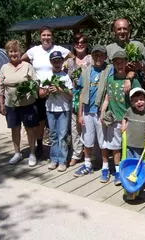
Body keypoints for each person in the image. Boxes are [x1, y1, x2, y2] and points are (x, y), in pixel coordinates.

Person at [22, 26, 71, 158]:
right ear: (40, 36)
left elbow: (71, 57)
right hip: (41, 90)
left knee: (57, 121)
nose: (46, 38)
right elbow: (22, 60)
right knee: (41, 119)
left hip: (56, 88)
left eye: (49, 35)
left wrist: (66, 66)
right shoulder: (34, 50)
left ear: (52, 37)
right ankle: (39, 145)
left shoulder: (58, 49)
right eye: (44, 35)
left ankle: (61, 151)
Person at [101, 50, 141, 185]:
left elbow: (140, 98)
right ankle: (118, 171)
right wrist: (102, 111)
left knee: (129, 146)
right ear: (112, 63)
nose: (119, 64)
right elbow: (108, 96)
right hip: (114, 119)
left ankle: (130, 170)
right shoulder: (110, 79)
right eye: (116, 62)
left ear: (126, 63)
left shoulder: (133, 80)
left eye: (122, 62)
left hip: (129, 120)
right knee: (115, 147)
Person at [73, 45, 113, 179]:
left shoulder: (109, 70)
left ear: (105, 57)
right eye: (96, 55)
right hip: (87, 111)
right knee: (87, 140)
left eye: (101, 55)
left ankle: (105, 167)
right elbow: (80, 93)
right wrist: (79, 114)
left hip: (100, 111)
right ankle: (87, 164)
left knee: (103, 141)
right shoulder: (86, 72)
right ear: (92, 56)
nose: (98, 57)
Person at [0, 40, 38, 167]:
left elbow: (35, 82)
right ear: (7, 53)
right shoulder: (4, 68)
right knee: (15, 129)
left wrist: (30, 89)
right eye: (10, 51)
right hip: (11, 105)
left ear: (20, 52)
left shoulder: (28, 66)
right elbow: (0, 87)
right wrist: (2, 104)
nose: (13, 54)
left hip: (28, 104)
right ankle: (17, 153)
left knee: (30, 129)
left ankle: (32, 153)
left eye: (15, 51)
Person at [39, 51, 73, 172]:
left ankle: (63, 161)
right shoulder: (46, 76)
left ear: (62, 61)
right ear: (51, 62)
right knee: (53, 136)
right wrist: (48, 90)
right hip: (50, 109)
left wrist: (60, 89)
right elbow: (41, 94)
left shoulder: (66, 76)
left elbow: (70, 95)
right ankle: (54, 159)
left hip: (64, 109)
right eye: (54, 61)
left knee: (62, 136)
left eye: (59, 60)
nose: (57, 63)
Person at [65, 33, 93, 166]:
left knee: (88, 127)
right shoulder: (69, 62)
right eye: (77, 42)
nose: (80, 44)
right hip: (73, 97)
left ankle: (90, 155)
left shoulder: (92, 59)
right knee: (75, 127)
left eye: (83, 42)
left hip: (89, 97)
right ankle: (76, 153)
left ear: (87, 44)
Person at [107, 18, 145, 92]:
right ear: (114, 31)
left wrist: (141, 66)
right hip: (115, 90)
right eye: (119, 29)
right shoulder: (109, 49)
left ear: (129, 29)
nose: (122, 31)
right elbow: (104, 72)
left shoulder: (138, 46)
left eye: (125, 29)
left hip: (136, 91)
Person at [121, 87, 145, 158]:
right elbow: (124, 118)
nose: (139, 102)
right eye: (136, 100)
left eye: (141, 99)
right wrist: (123, 125)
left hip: (141, 144)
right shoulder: (130, 110)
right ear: (132, 103)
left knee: (138, 161)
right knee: (129, 161)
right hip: (129, 143)